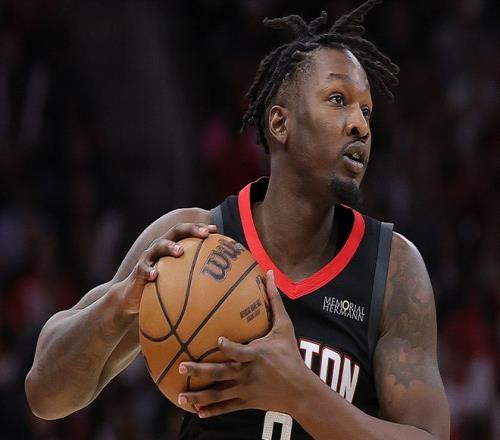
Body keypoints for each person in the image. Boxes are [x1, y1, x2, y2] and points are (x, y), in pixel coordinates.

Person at [25, 1, 450, 439]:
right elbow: (45, 395)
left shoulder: (393, 270)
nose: (360, 125)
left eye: (366, 111)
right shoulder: (190, 242)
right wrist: (118, 304)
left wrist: (301, 394)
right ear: (280, 123)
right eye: (338, 100)